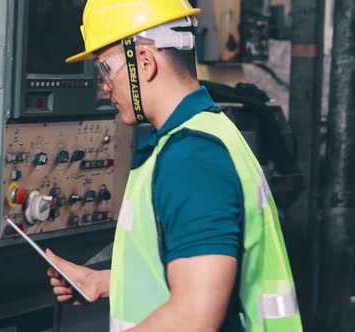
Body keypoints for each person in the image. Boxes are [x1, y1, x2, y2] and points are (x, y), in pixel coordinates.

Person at [45, 1, 303, 331]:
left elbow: (194, 316)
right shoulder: (204, 132)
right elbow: (190, 267)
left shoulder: (192, 158)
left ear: (145, 62)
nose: (104, 86)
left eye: (105, 70)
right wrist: (104, 281)